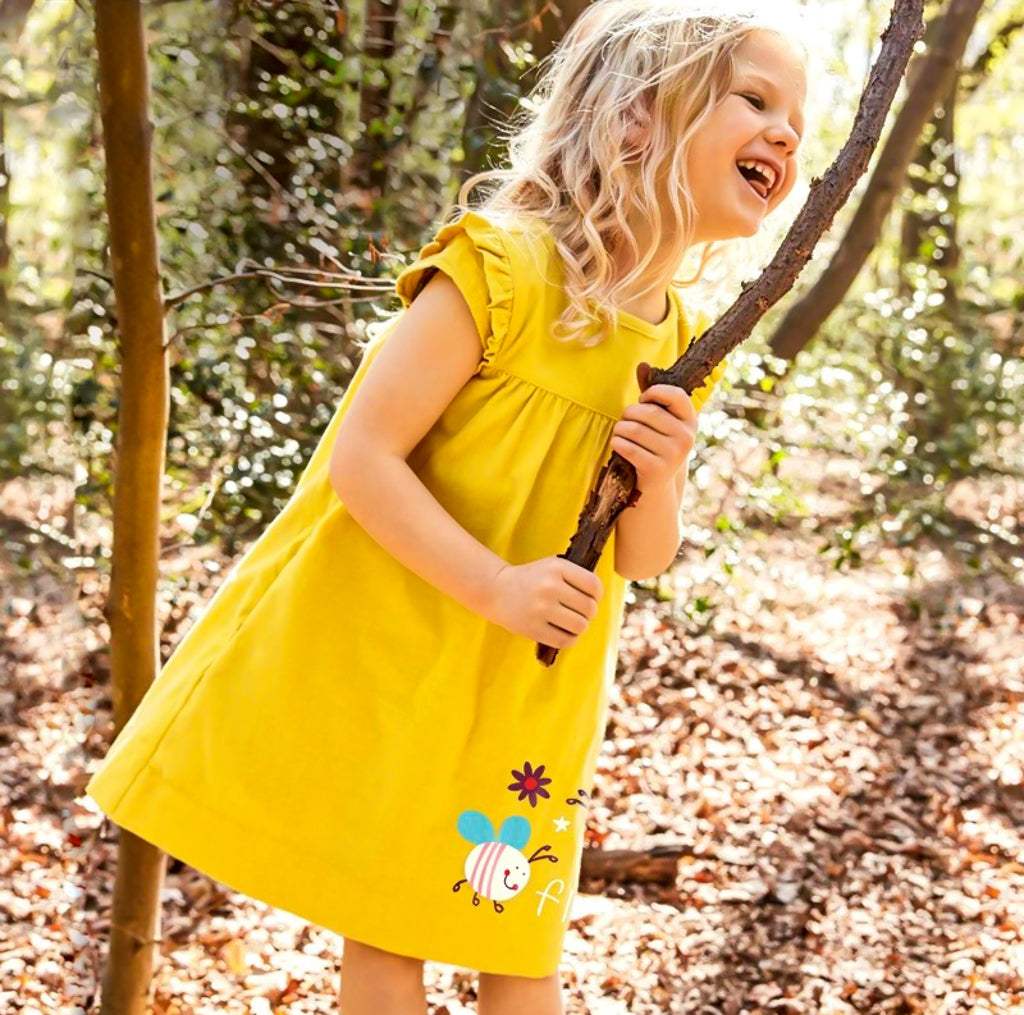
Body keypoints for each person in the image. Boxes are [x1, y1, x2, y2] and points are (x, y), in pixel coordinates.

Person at [84, 1, 810, 1012]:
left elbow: (641, 557)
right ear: (639, 117)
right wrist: (498, 584)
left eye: (798, 119)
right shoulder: (500, 267)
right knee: (390, 934)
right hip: (408, 643)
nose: (786, 132)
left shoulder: (687, 340)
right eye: (755, 99)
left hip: (526, 687)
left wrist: (665, 470)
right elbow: (363, 457)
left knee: (518, 936)